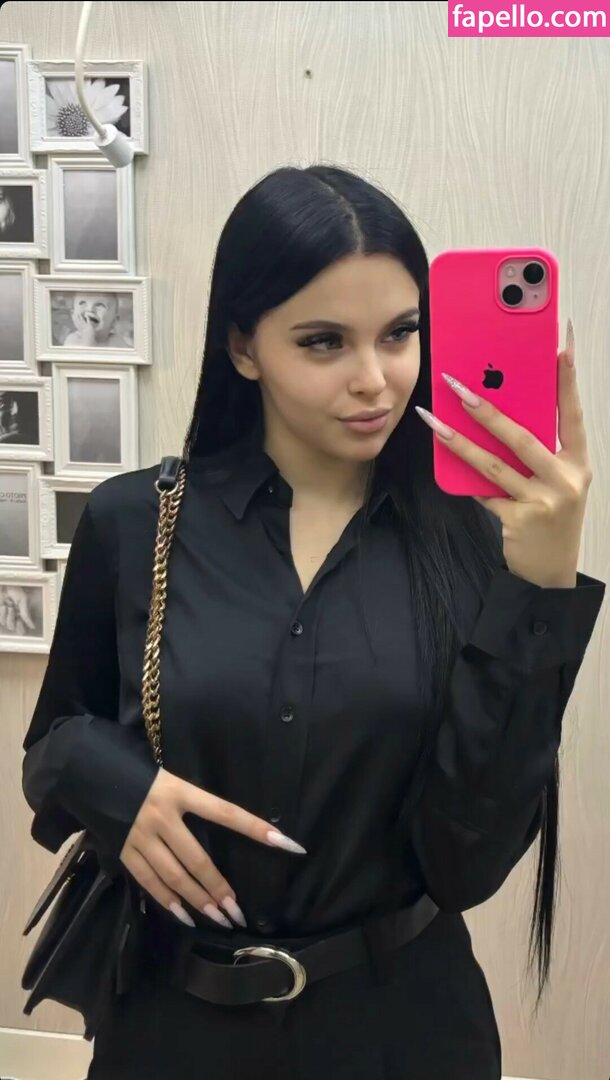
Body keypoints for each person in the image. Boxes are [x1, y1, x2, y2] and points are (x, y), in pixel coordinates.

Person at [21, 164, 605, 1080]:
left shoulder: (477, 544)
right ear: (243, 346)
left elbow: (468, 863)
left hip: (403, 1033)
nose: (376, 381)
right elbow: (54, 739)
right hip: (172, 1030)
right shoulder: (137, 521)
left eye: (400, 333)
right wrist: (116, 788)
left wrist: (544, 580)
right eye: (324, 342)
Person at [63, 291, 129, 348]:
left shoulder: (117, 341)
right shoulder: (73, 339)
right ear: (73, 316)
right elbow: (88, 355)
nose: (90, 309)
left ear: (114, 321)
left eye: (100, 305)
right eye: (82, 303)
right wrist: (88, 333)